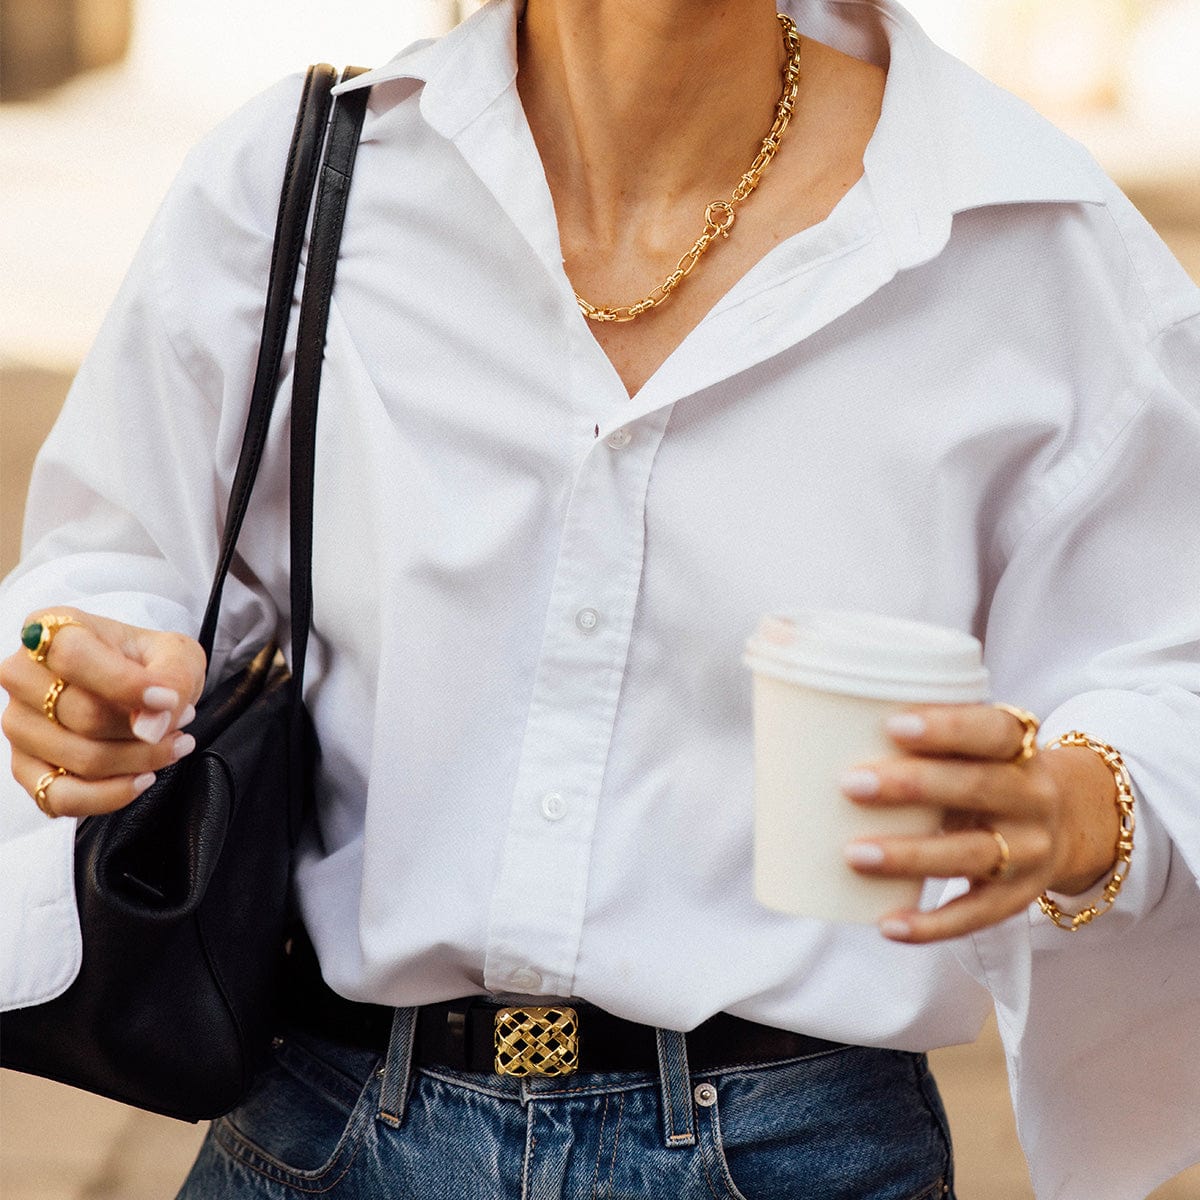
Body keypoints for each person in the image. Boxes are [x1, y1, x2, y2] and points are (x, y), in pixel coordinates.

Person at [2, 0, 1198, 1196]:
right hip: (320, 1133)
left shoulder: (1023, 235)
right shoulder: (306, 175)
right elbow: (110, 565)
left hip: (797, 1155)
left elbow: (1175, 674)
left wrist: (1086, 809)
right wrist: (90, 676)